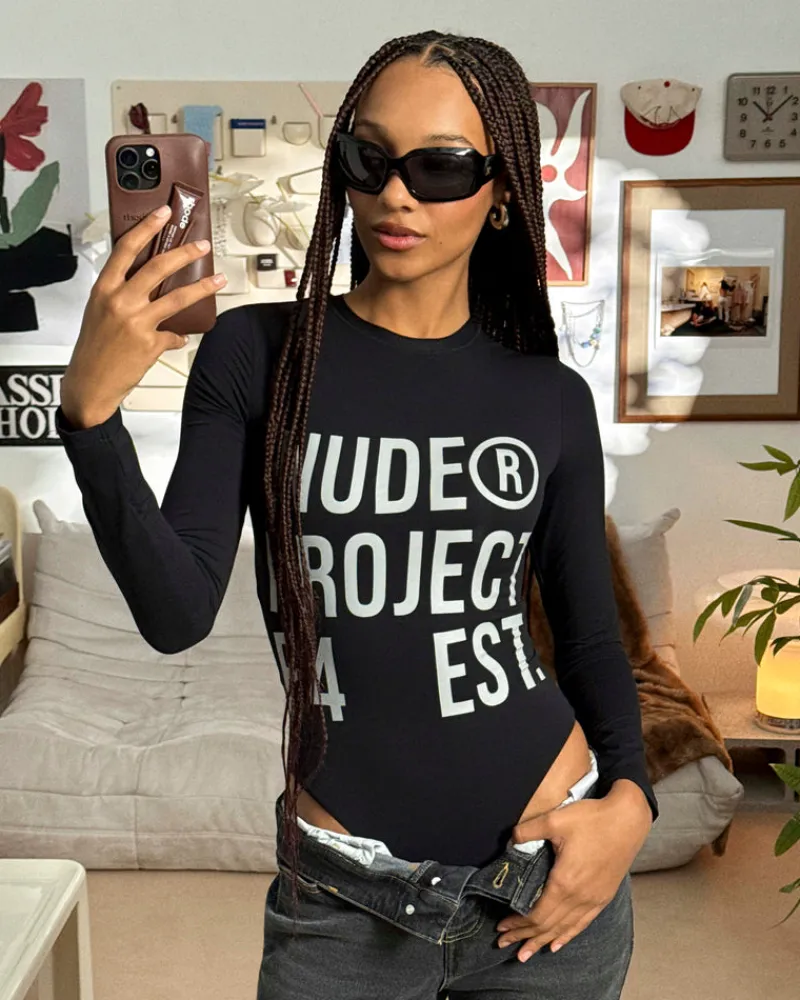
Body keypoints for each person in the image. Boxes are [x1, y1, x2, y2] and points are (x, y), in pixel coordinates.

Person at [57, 30, 657, 1000]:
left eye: (440, 166)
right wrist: (89, 418)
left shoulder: (548, 399)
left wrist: (631, 802)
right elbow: (176, 615)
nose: (395, 195)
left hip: (546, 877)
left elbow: (589, 637)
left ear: (502, 192)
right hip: (344, 898)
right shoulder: (256, 355)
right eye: (368, 158)